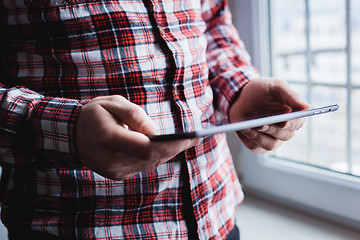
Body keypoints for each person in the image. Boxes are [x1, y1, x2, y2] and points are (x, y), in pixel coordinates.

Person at [0, 0, 309, 239]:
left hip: (217, 217)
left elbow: (211, 21)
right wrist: (65, 130)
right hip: (76, 227)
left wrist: (237, 86)